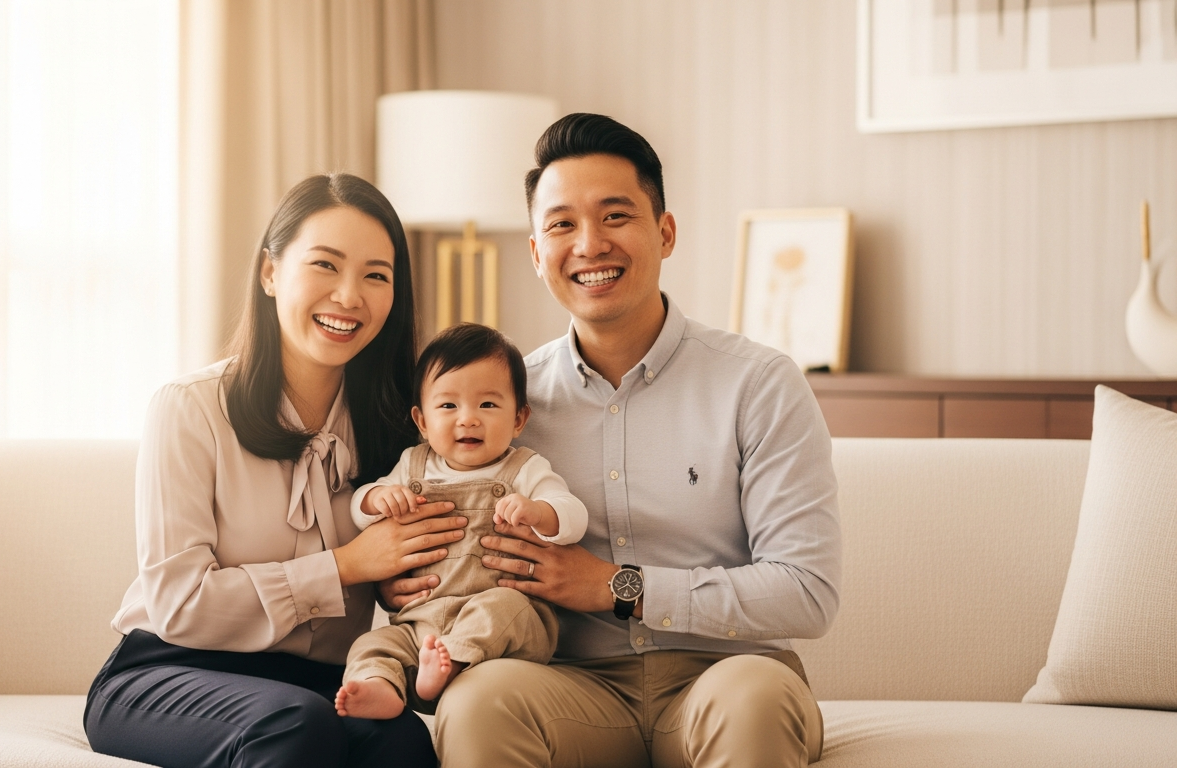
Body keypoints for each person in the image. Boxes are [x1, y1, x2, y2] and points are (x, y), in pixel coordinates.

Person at [416, 114, 844, 767]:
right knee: (477, 702)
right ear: (536, 253)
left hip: (723, 676)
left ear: (664, 233)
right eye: (562, 224)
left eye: (615, 216)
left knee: (754, 697)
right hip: (569, 685)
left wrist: (620, 586)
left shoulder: (758, 383)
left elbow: (807, 592)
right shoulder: (506, 402)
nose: (589, 244)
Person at [84, 173, 466, 768]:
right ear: (270, 273)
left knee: (402, 742)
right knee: (295, 724)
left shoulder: (399, 429)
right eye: (325, 265)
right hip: (168, 670)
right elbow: (179, 604)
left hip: (314, 683)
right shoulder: (189, 408)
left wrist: (402, 585)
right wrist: (346, 565)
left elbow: (413, 583)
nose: (349, 296)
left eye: (375, 275)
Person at [334, 323, 588, 719]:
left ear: (520, 419)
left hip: (503, 617)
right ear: (421, 420)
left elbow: (573, 516)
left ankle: (449, 665)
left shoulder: (524, 468)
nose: (468, 419)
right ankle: (378, 686)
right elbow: (359, 509)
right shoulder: (412, 465)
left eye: (487, 405)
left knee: (505, 607)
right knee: (374, 642)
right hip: (421, 623)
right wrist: (378, 498)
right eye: (448, 406)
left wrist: (539, 512)